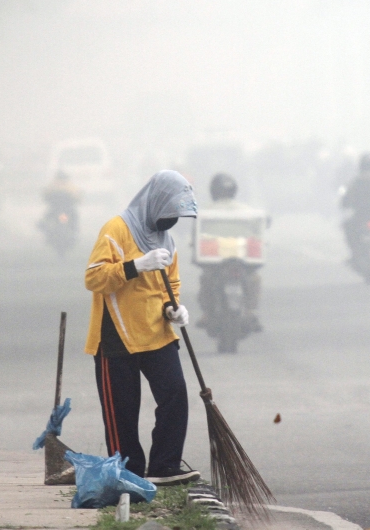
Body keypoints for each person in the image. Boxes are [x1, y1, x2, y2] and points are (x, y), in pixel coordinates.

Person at [83, 170, 200, 486]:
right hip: (116, 336)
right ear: (155, 203)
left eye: (177, 216)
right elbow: (93, 278)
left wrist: (173, 308)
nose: (171, 221)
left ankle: (165, 465)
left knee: (175, 394)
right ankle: (129, 474)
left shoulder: (167, 240)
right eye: (169, 213)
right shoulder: (116, 229)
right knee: (122, 411)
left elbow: (169, 284)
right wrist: (136, 266)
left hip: (156, 332)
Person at [195, 173, 263, 333]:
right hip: (243, 258)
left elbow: (198, 236)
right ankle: (250, 312)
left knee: (206, 280)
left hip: (215, 261)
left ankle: (206, 314)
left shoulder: (204, 211)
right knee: (254, 279)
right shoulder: (247, 210)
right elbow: (258, 231)